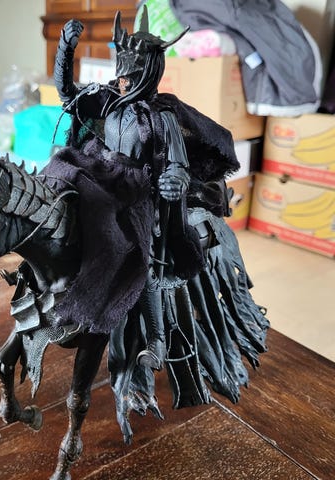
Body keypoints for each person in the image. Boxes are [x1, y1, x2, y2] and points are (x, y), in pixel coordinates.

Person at [45, 6, 239, 370]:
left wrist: (175, 180)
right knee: (60, 200)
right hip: (100, 171)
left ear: (147, 74)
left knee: (140, 258)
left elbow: (177, 163)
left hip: (138, 188)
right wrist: (65, 50)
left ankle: (156, 340)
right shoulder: (108, 100)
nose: (122, 83)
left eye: (130, 78)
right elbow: (67, 95)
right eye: (120, 76)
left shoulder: (161, 116)